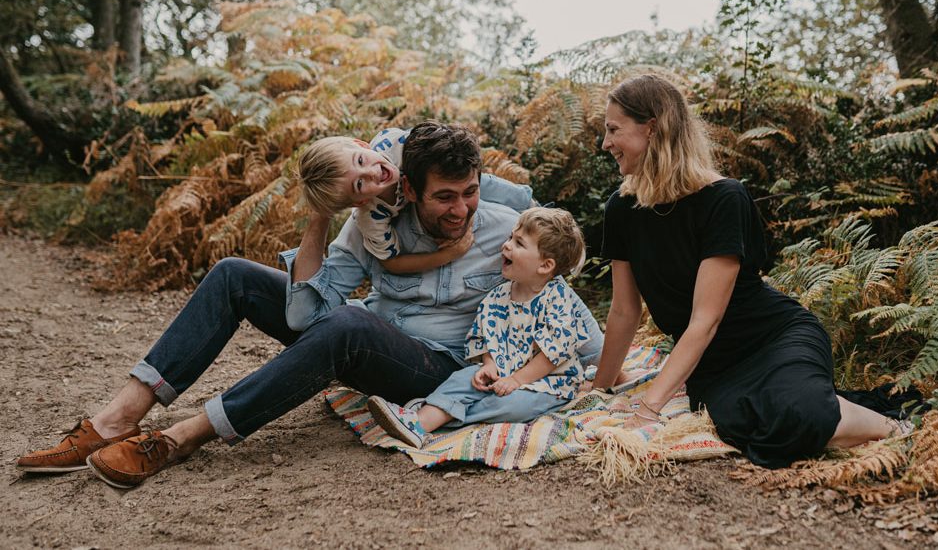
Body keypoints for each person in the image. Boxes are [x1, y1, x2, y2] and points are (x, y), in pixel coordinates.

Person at [16, 121, 605, 487]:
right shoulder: (370, 226)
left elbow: (561, 297)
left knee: (350, 324)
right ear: (407, 190)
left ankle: (180, 438)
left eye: (470, 193)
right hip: (362, 334)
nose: (461, 210)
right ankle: (114, 420)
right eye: (444, 198)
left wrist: (576, 371)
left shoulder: (506, 227)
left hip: (435, 364)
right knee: (232, 275)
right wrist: (322, 215)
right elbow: (301, 315)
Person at [588, 74, 906, 469]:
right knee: (750, 427)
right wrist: (599, 390)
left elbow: (706, 318)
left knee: (799, 415)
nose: (605, 143)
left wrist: (650, 408)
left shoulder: (723, 198)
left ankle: (896, 428)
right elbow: (623, 311)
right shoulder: (621, 209)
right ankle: (834, 408)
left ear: (652, 128)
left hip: (773, 337)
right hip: (713, 367)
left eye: (613, 130)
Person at [367, 207, 592, 448]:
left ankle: (437, 415)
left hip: (548, 382)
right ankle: (416, 421)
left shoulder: (557, 299)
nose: (506, 246)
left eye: (518, 243)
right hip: (503, 373)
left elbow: (552, 355)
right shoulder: (498, 296)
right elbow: (488, 335)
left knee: (513, 407)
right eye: (509, 237)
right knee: (463, 379)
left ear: (545, 265)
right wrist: (489, 364)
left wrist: (516, 380)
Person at [298, 127, 480, 274]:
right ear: (360, 202)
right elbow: (392, 263)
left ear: (361, 144)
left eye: (360, 160)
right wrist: (447, 255)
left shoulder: (396, 143)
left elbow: (458, 158)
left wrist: (466, 222)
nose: (372, 172)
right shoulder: (371, 218)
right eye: (359, 184)